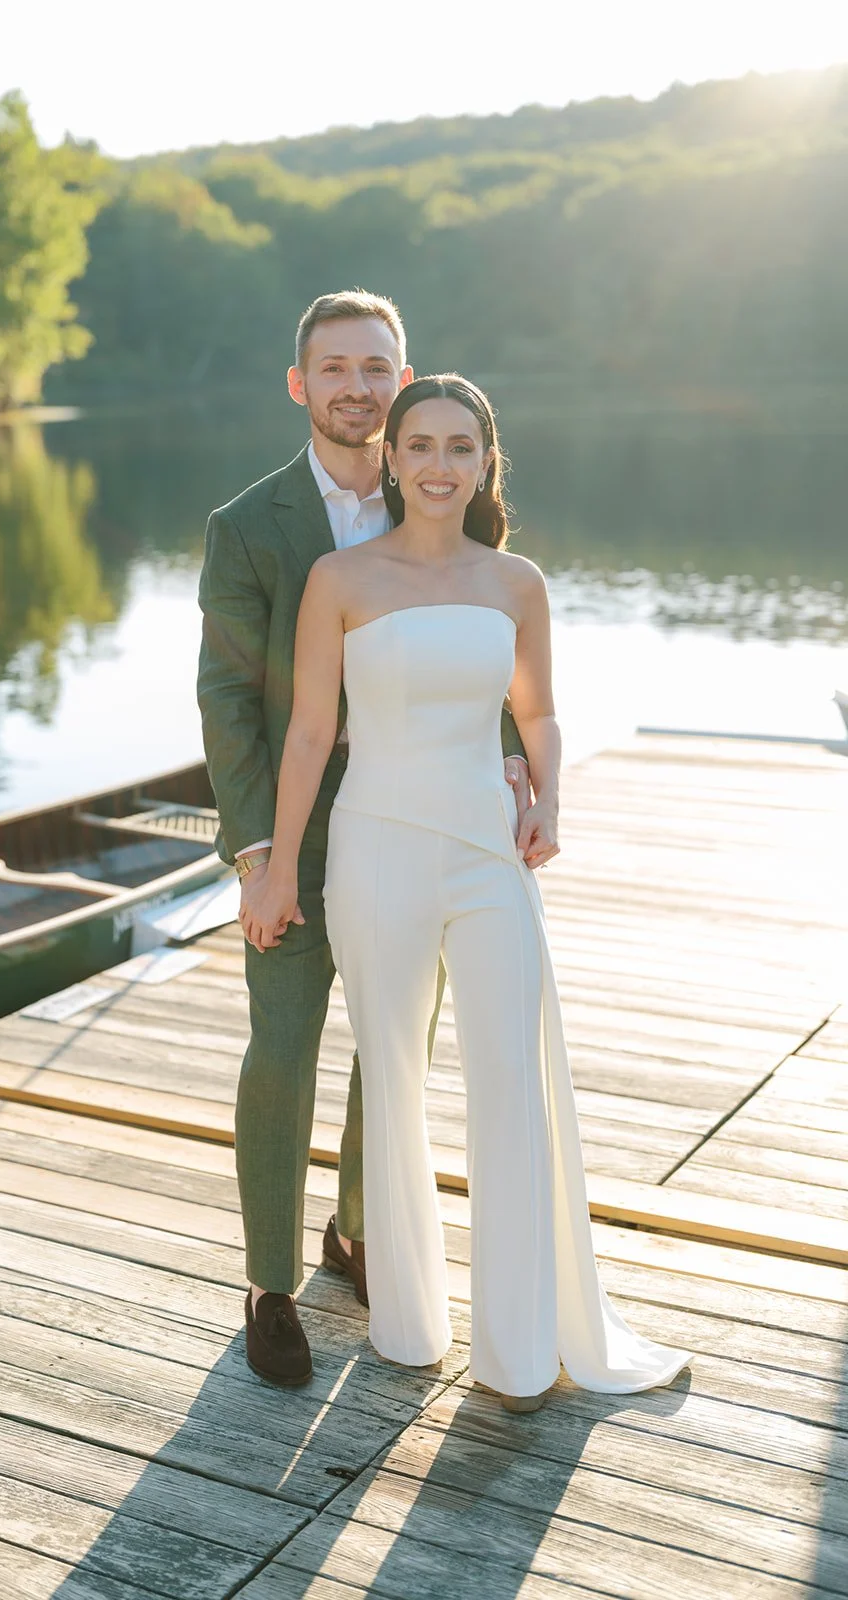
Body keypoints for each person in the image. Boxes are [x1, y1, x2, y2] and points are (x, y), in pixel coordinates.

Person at [241, 374, 692, 1408]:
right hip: (376, 846)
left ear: (485, 460)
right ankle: (407, 1324)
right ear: (391, 458)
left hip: (489, 855)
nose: (440, 465)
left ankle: (520, 1351)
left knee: (512, 1080)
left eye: (461, 447)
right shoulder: (340, 578)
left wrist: (550, 800)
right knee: (392, 1076)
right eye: (421, 445)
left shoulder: (516, 581)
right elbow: (310, 733)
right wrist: (273, 867)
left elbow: (537, 715)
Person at [197, 295, 532, 1387]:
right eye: (333, 368)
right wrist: (260, 854)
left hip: (420, 824)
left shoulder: (448, 498)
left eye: (375, 367)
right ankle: (268, 1283)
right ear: (301, 386)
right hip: (296, 833)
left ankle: (357, 1231)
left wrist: (518, 762)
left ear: (404, 381)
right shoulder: (246, 526)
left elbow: (474, 654)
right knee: (285, 1049)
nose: (356, 386)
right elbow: (229, 702)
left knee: (393, 1044)